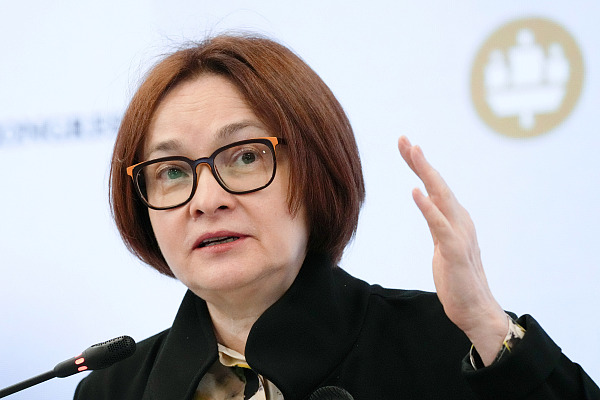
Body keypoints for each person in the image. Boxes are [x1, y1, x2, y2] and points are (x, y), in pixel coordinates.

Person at [74, 34, 599, 400]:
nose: (206, 200)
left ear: (317, 171)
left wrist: (485, 322)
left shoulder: (452, 346)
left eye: (246, 156)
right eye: (171, 171)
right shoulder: (112, 389)